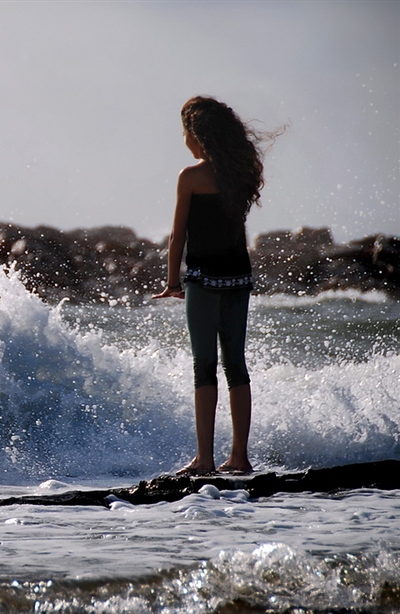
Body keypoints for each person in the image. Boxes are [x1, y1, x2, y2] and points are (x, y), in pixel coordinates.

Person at [153, 96, 273, 476]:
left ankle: (204, 460)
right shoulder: (242, 172)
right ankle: (240, 457)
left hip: (203, 280)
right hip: (239, 278)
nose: (184, 141)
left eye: (185, 133)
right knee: (236, 366)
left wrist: (173, 282)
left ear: (198, 136)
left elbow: (178, 236)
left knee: (203, 368)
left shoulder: (190, 177)